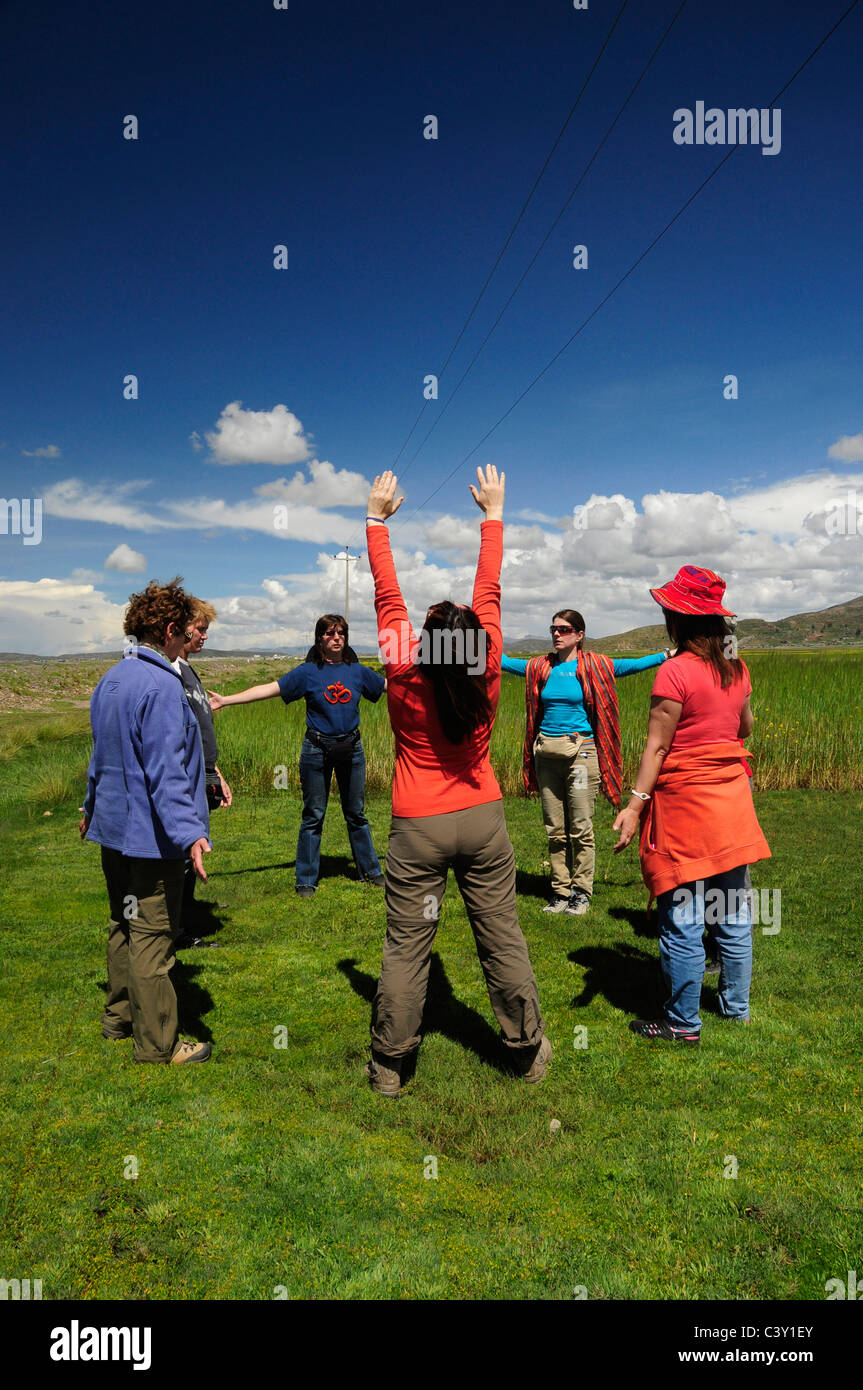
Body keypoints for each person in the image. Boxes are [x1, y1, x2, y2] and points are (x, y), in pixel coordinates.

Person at [365, 465, 548, 1096]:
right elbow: (489, 588)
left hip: (417, 826)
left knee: (407, 945)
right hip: (482, 817)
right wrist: (493, 514)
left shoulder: (401, 668)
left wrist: (376, 521)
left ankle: (391, 1065)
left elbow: (388, 597)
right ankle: (525, 1049)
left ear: (423, 643)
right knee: (500, 933)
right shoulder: (489, 665)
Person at [612, 565, 771, 1044]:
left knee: (682, 914)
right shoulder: (736, 667)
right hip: (732, 804)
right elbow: (744, 729)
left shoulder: (675, 669)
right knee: (734, 912)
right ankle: (736, 1009)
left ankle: (683, 1023)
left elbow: (657, 748)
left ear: (678, 618)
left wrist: (635, 805)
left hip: (686, 808)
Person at [80, 577, 213, 1065]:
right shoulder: (161, 685)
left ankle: (118, 1019)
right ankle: (158, 1043)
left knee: (123, 922)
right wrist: (192, 834)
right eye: (186, 633)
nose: (189, 642)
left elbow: (100, 759)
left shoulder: (112, 678)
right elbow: (166, 771)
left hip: (113, 830)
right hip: (150, 839)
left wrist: (89, 806)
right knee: (153, 937)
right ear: (172, 630)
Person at [503, 617, 669, 915]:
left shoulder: (598, 666)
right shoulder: (540, 667)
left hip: (582, 755)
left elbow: (634, 666)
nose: (556, 634)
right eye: (553, 629)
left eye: (563, 629)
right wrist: (469, 648)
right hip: (547, 755)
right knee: (555, 828)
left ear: (579, 635)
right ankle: (560, 891)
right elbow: (504, 662)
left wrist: (667, 656)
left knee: (580, 825)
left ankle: (581, 892)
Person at [208, 616, 385, 896]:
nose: (336, 637)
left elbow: (390, 687)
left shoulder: (358, 672)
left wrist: (429, 686)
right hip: (316, 750)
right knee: (313, 814)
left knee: (357, 814)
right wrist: (226, 700)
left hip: (352, 749)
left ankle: (371, 870)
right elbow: (269, 689)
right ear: (320, 639)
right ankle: (306, 879)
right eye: (330, 633)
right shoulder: (307, 672)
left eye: (341, 633)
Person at [172, 599, 232, 945]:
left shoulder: (188, 669)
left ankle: (187, 909)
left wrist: (216, 773)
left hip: (202, 771)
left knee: (196, 842)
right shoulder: (170, 671)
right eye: (201, 629)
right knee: (184, 846)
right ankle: (175, 930)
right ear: (181, 627)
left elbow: (198, 729)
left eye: (207, 630)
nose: (205, 636)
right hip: (186, 775)